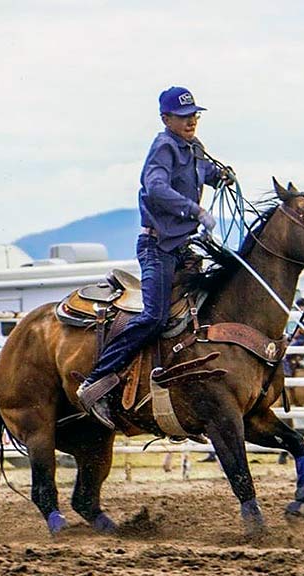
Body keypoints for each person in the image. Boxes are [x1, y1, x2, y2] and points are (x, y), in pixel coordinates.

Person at [77, 86, 234, 429]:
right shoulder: (163, 147)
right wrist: (195, 209)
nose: (191, 121)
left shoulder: (192, 148)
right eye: (183, 116)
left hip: (179, 247)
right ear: (166, 119)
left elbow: (202, 170)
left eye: (194, 115)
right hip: (158, 248)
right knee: (153, 316)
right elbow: (156, 187)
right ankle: (97, 382)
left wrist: (220, 175)